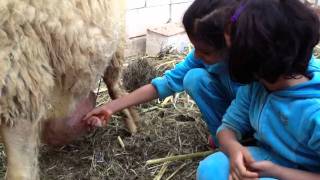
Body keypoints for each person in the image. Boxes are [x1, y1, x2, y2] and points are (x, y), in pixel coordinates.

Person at [83, 0, 240, 148]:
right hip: (234, 116)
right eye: (194, 47)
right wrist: (110, 107)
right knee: (194, 78)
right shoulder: (201, 58)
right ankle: (224, 135)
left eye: (205, 51)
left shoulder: (255, 71)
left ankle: (240, 139)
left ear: (230, 42)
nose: (196, 56)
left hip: (256, 124)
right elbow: (163, 85)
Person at [197, 0, 320, 179]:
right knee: (212, 167)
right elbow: (228, 129)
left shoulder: (313, 112)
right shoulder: (257, 87)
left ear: (252, 59)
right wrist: (235, 151)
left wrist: (277, 172)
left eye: (231, 52)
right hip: (270, 159)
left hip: (303, 174)